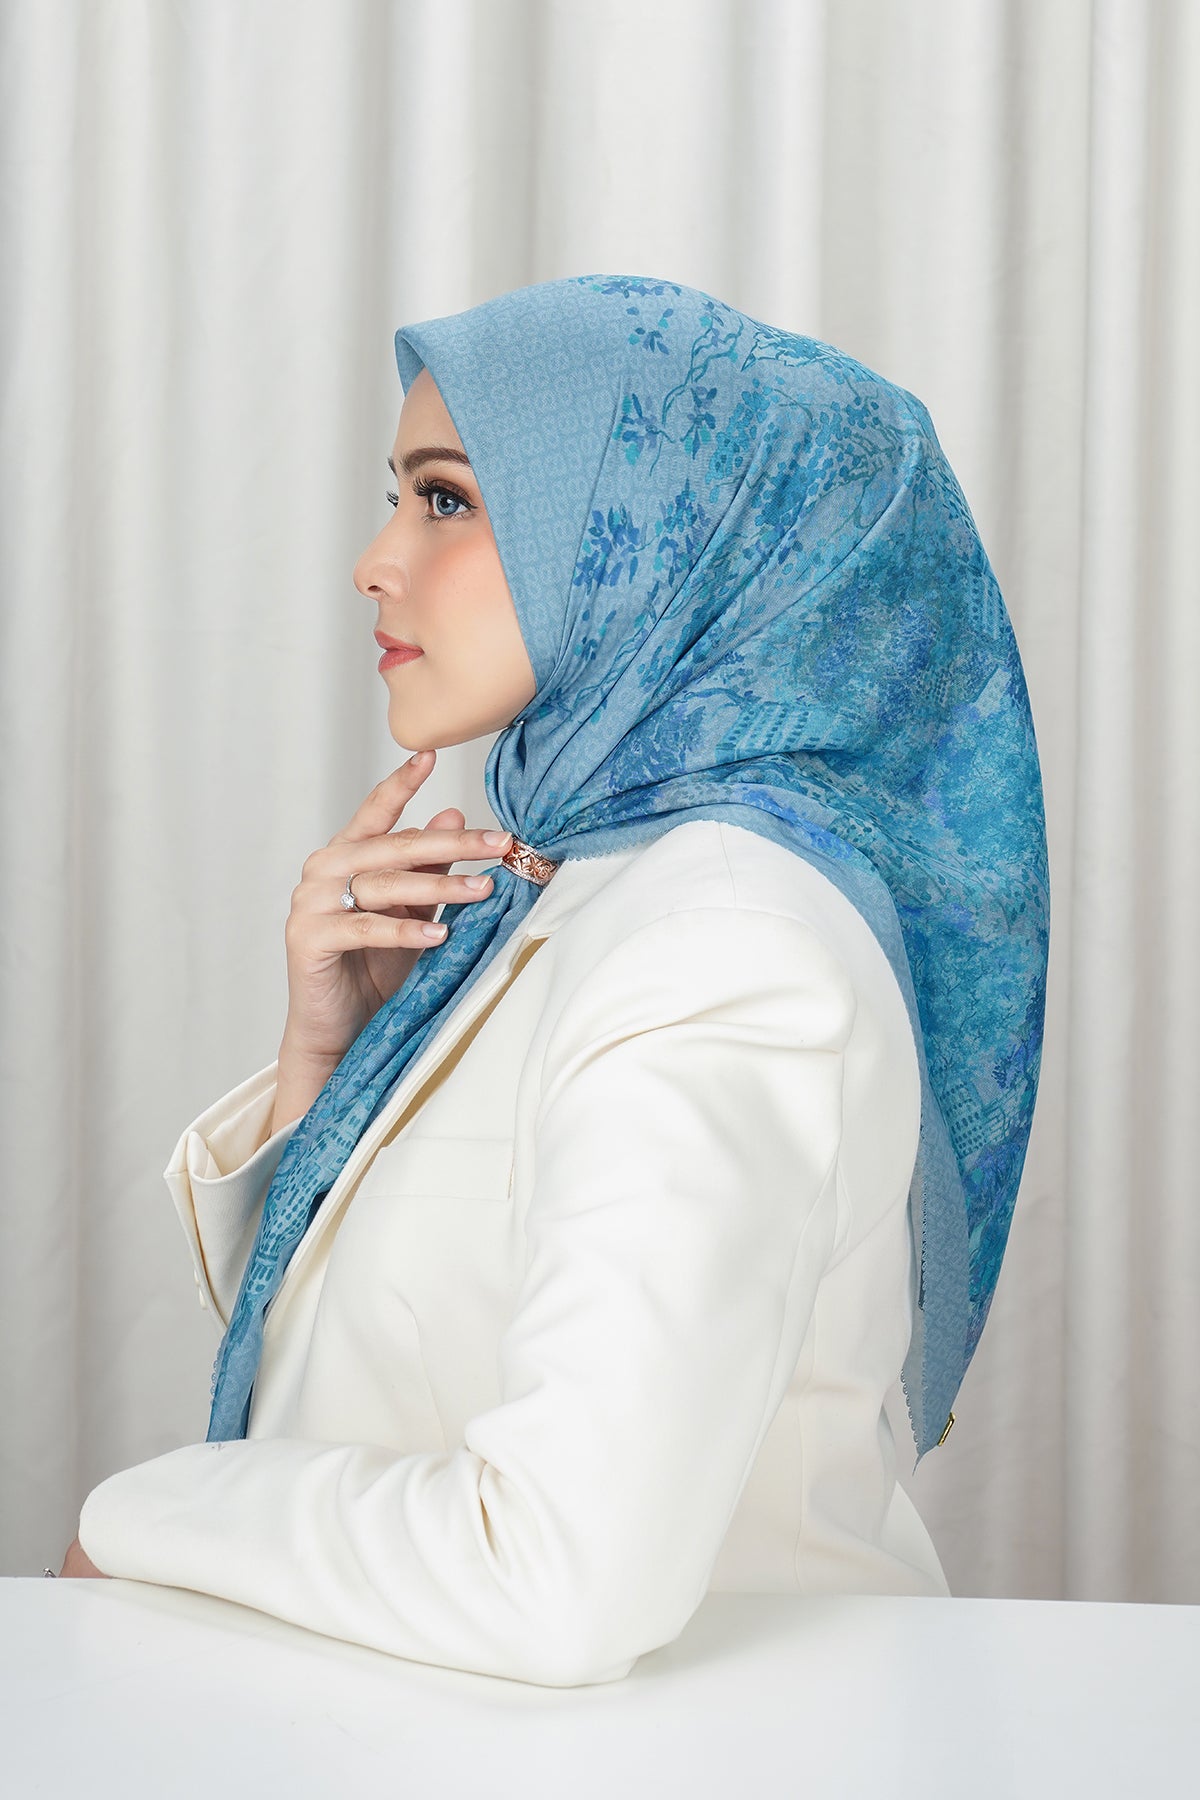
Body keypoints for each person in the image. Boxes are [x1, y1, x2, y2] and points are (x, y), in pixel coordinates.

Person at [62, 275, 1049, 1688]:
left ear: (667, 542)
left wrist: (143, 1521)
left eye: (446, 501)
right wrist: (335, 1062)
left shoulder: (723, 944)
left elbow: (557, 1575)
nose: (376, 562)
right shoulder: (577, 884)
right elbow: (371, 1377)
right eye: (401, 497)